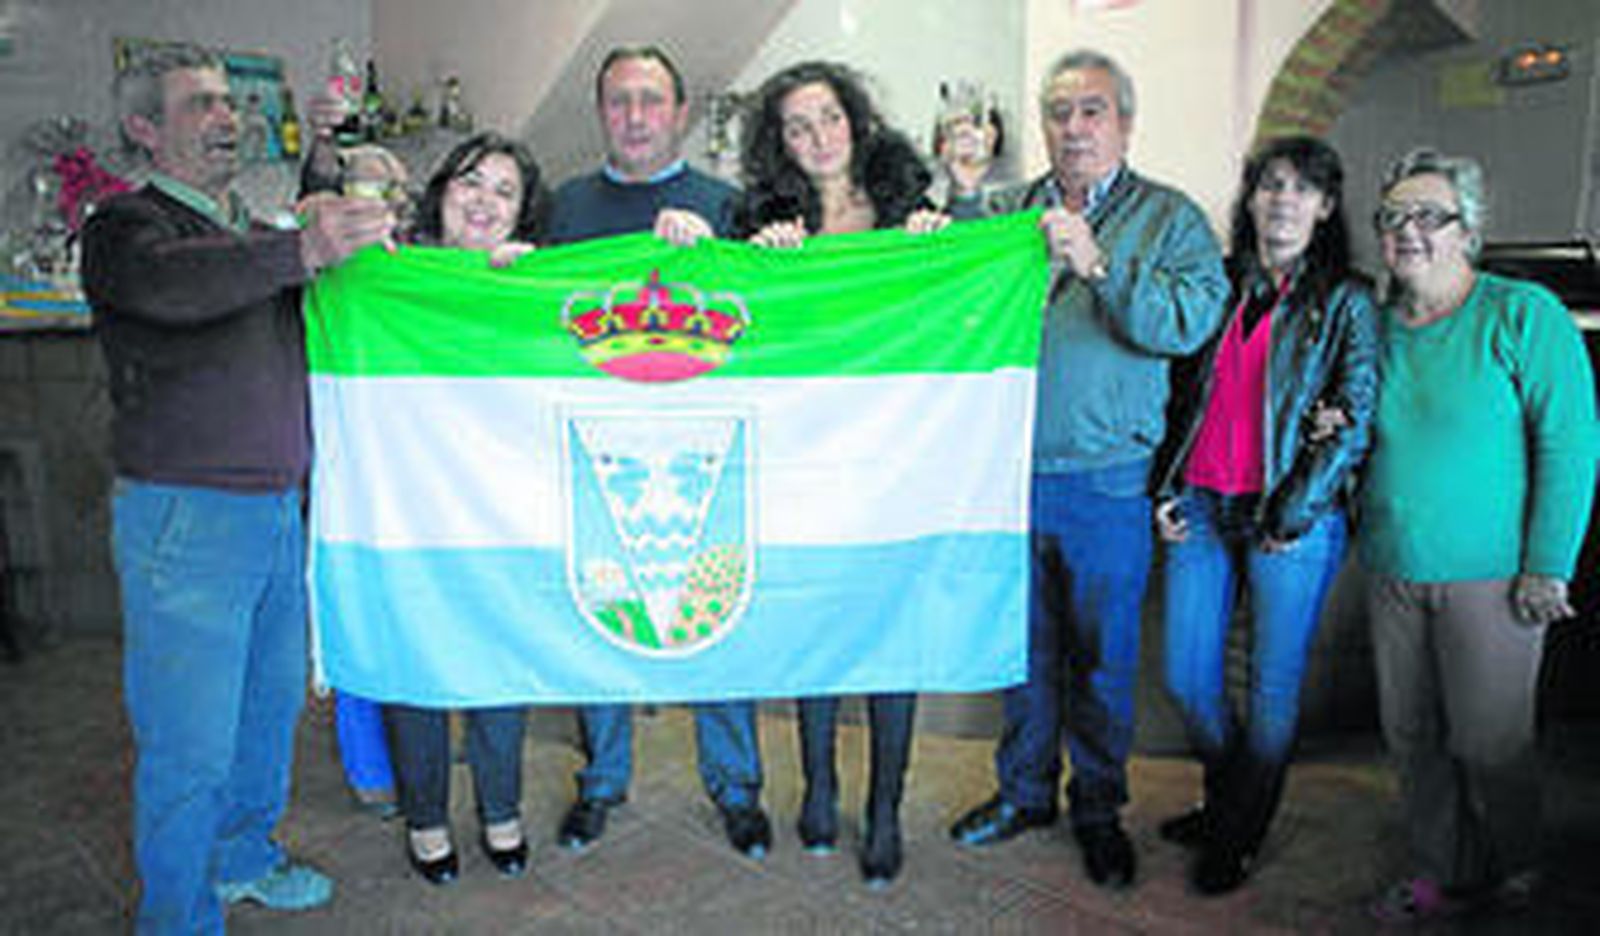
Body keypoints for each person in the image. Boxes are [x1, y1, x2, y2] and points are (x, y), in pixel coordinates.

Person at [80, 43, 394, 933]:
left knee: (265, 716)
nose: (226, 118)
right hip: (185, 518)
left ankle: (244, 857)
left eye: (227, 102)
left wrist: (329, 182)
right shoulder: (124, 228)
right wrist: (306, 243)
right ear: (145, 129)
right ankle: (176, 916)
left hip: (276, 514)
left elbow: (278, 263)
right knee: (188, 742)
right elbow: (181, 288)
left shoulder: (247, 227)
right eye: (199, 106)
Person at [944, 48, 1228, 890]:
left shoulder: (1170, 217)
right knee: (1022, 653)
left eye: (1092, 111)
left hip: (1108, 477)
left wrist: (1099, 262)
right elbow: (944, 289)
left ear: (1125, 123)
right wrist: (951, 203)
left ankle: (1097, 809)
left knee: (1103, 661)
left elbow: (1187, 321)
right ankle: (1024, 793)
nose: (1073, 128)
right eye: (1059, 113)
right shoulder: (1010, 210)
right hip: (1008, 473)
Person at [543, 44, 771, 859]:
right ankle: (601, 782)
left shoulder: (728, 202)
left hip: (706, 450)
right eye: (618, 101)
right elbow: (531, 320)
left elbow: (768, 315)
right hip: (596, 448)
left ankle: (738, 789)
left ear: (679, 112)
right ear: (600, 112)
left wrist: (715, 253)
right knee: (598, 615)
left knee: (718, 616)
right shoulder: (563, 207)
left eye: (650, 100)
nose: (635, 116)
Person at [1359, 148, 1598, 924]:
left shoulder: (1521, 313)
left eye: (1430, 215)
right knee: (1412, 739)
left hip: (1494, 578)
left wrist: (1547, 566)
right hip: (1393, 567)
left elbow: (1571, 444)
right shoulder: (1375, 327)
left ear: (1470, 231)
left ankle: (1519, 865)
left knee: (1492, 744)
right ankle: (1442, 869)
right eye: (1394, 216)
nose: (1409, 231)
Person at [733, 60, 947, 887]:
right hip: (805, 460)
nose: (816, 137)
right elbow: (735, 320)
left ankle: (884, 807)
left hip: (900, 457)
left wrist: (942, 238)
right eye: (795, 125)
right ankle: (819, 786)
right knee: (815, 631)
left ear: (854, 120)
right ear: (778, 142)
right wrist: (758, 259)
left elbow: (955, 300)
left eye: (827, 118)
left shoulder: (907, 202)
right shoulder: (763, 216)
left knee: (893, 637)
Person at [1149, 135, 1378, 894]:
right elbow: (1178, 396)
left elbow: (1356, 416)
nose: (1284, 200)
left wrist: (1296, 513)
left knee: (1271, 688)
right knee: (1186, 675)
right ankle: (1232, 795)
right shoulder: (1218, 284)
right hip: (1204, 506)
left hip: (1292, 518)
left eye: (1302, 189)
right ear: (1250, 199)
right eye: (1270, 185)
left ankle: (1238, 833)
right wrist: (1165, 489)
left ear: (1325, 207)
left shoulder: (1347, 300)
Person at [383, 132, 546, 886]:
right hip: (407, 512)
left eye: (504, 192)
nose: (483, 201)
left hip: (499, 515)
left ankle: (501, 810)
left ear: (522, 214)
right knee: (414, 671)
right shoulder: (386, 273)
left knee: (498, 668)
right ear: (442, 191)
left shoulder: (531, 284)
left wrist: (518, 292)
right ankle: (425, 819)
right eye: (470, 182)